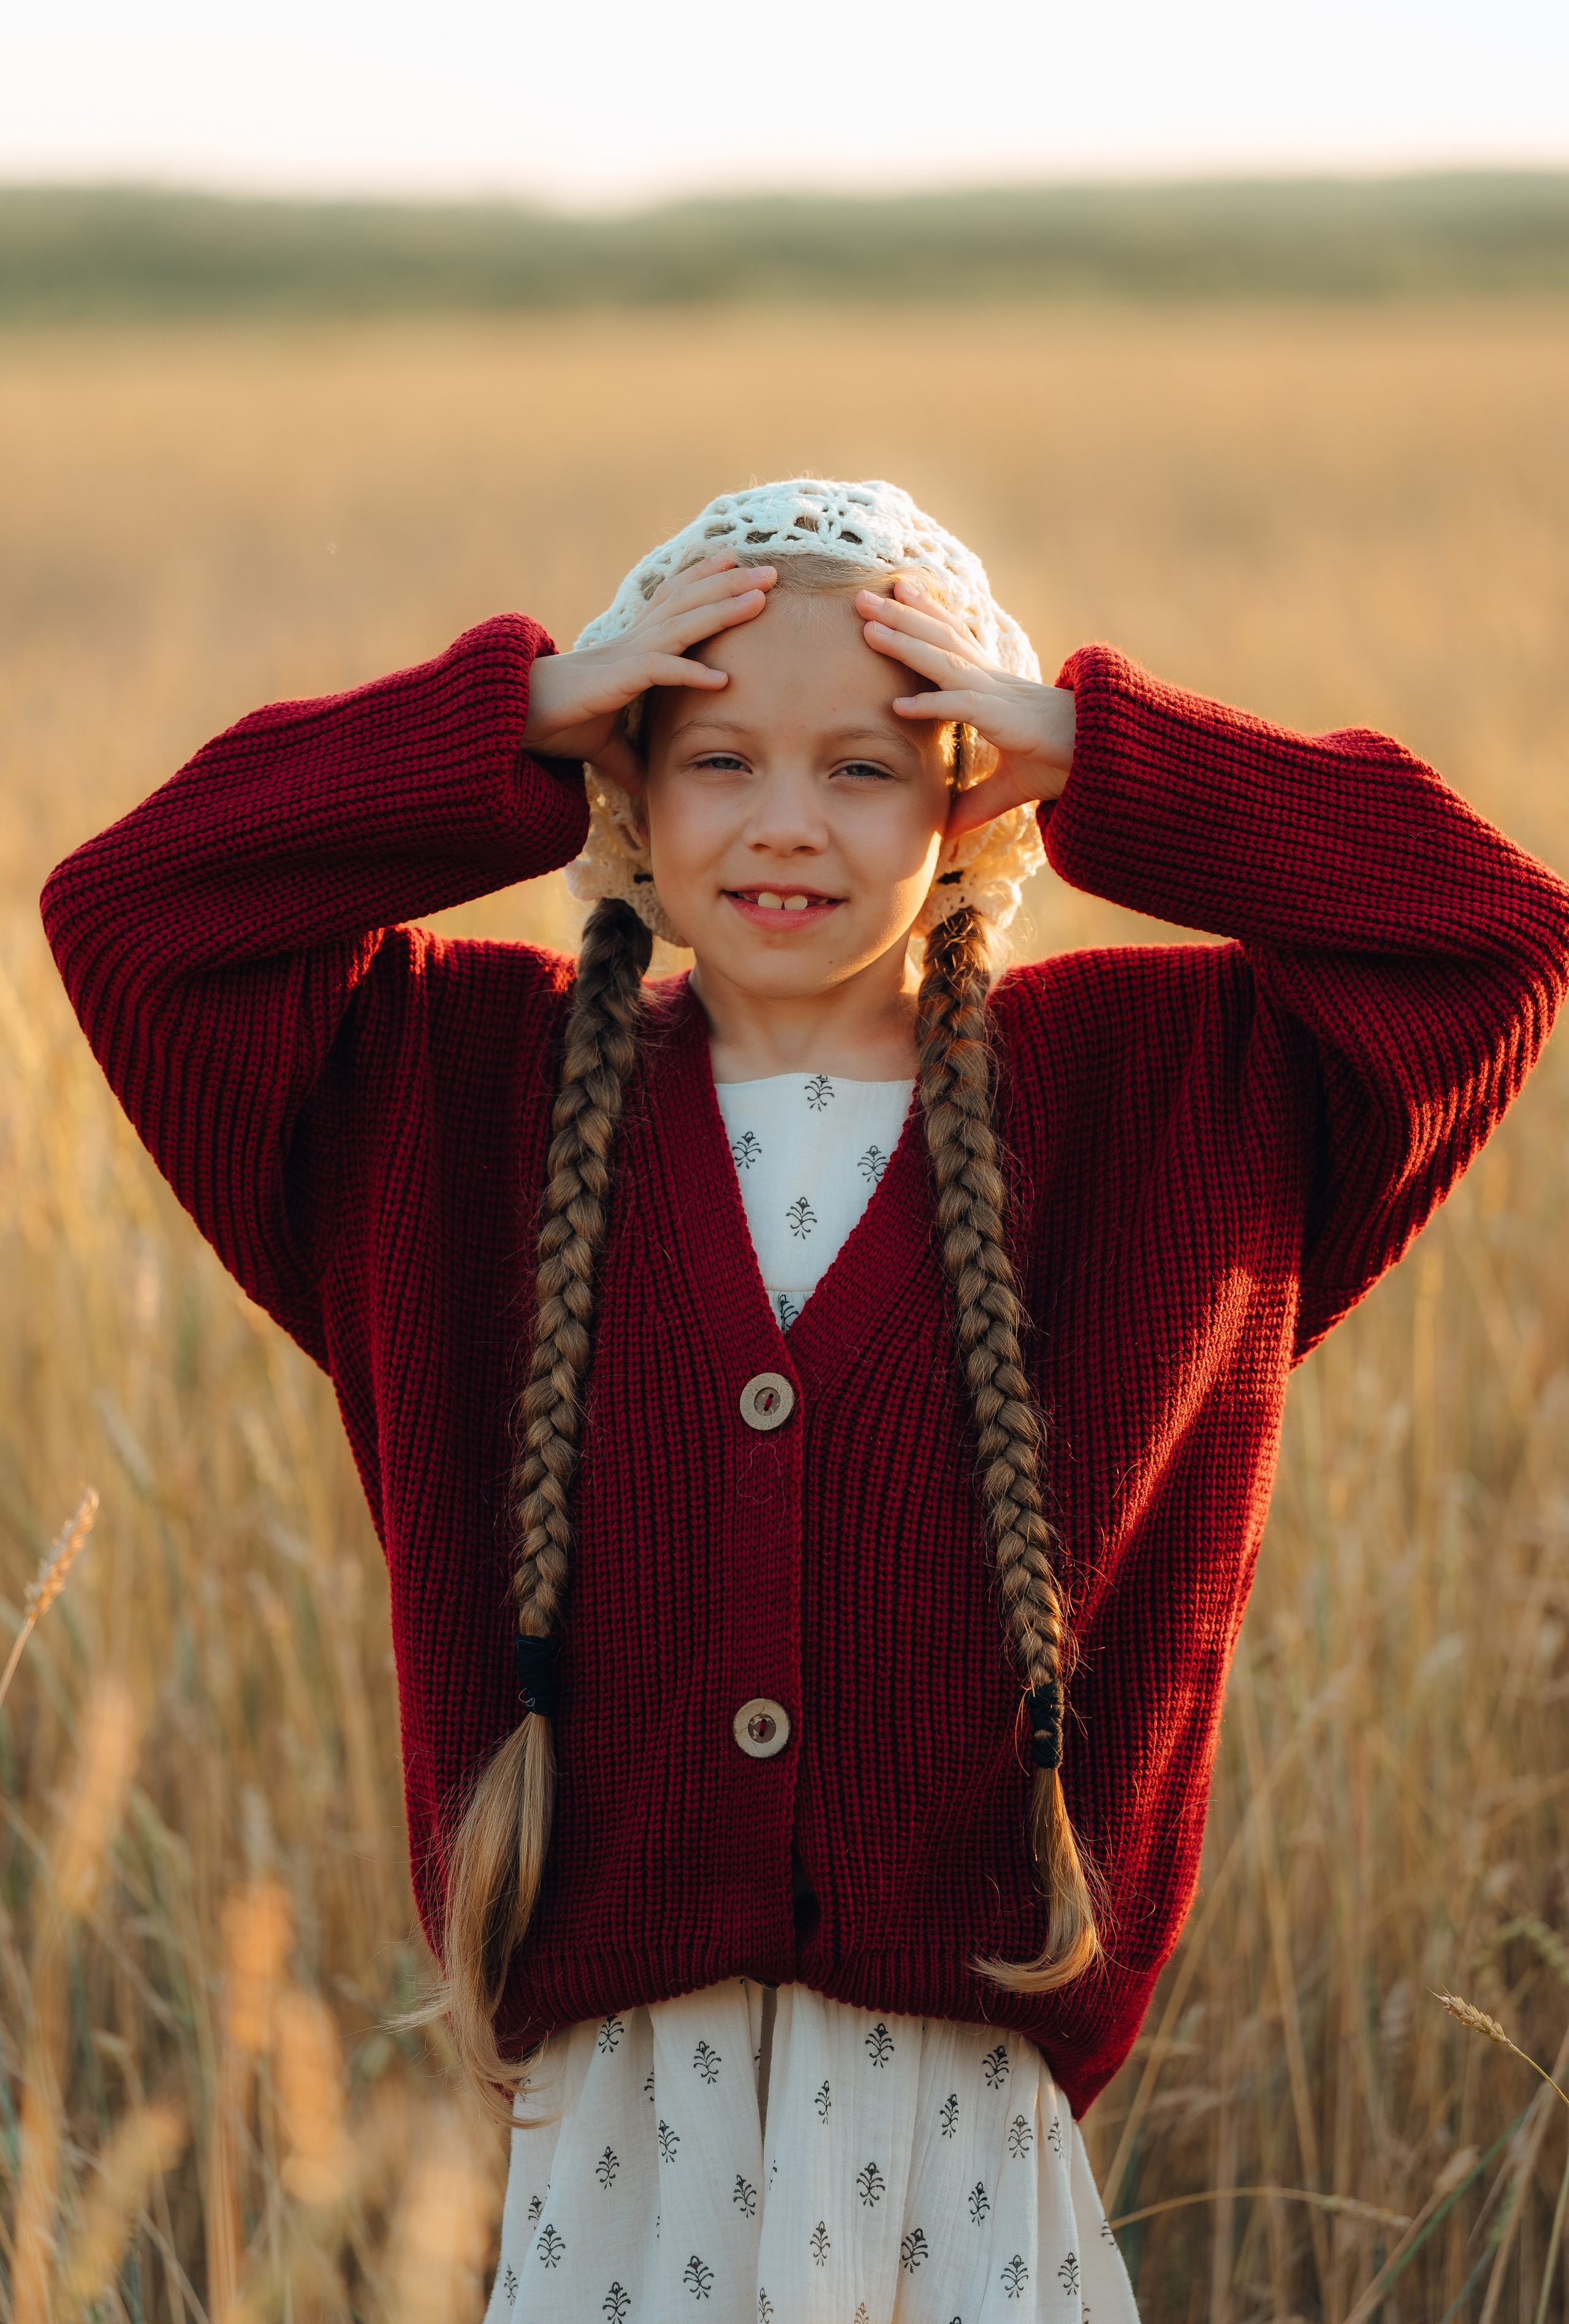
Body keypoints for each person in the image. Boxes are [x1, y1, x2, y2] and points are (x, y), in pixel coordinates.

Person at [42, 478, 1568, 2324]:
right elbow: (131, 914)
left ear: (966, 794)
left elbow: (1488, 933)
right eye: (715, 762)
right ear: (630, 782)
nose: (786, 828)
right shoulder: (451, 1099)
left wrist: (1104, 753)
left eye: (866, 769)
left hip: (966, 2151)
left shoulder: (1170, 1103)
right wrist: (510, 719)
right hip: (623, 2148)